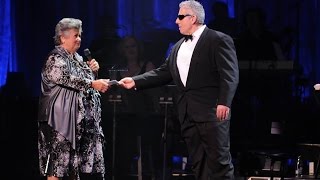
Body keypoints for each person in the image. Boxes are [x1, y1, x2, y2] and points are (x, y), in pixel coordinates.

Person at [118, 0, 239, 179]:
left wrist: (224, 102)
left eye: (180, 16)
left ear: (193, 18)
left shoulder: (217, 39)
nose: (176, 21)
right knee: (198, 162)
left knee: (218, 161)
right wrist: (135, 81)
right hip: (187, 113)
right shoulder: (178, 46)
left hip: (212, 111)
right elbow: (163, 72)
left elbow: (229, 74)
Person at [37, 18, 110, 180]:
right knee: (57, 167)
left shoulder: (77, 58)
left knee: (73, 168)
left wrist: (93, 72)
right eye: (75, 35)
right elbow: (66, 78)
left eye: (80, 35)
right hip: (59, 123)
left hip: (78, 124)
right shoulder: (55, 58)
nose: (79, 39)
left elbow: (85, 85)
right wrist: (92, 82)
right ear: (63, 37)